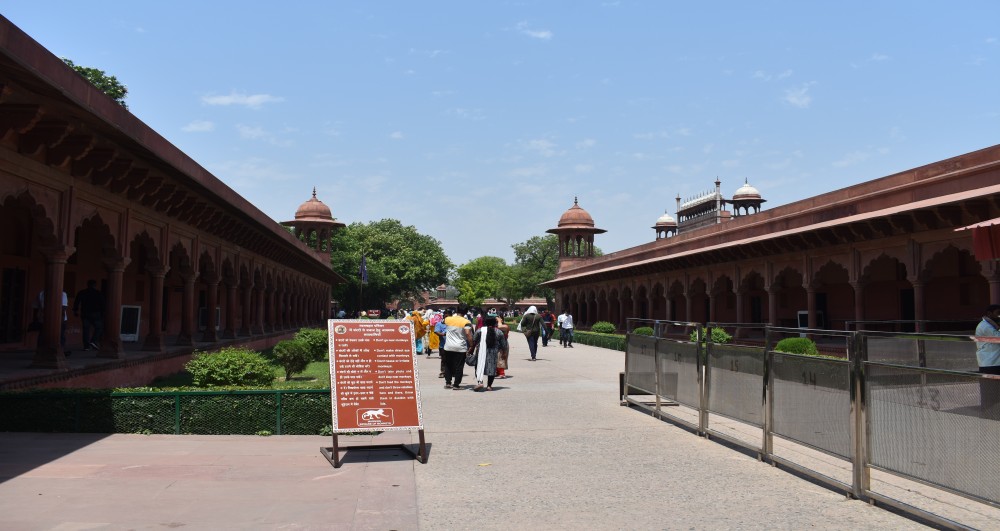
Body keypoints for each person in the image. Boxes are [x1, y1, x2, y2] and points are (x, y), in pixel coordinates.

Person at [469, 316, 508, 391]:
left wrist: (471, 350)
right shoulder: (499, 332)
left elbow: (474, 341)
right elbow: (503, 344)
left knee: (479, 366)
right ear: (495, 323)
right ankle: (489, 386)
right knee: (492, 368)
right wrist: (504, 353)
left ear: (485, 323)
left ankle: (480, 382)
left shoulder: (480, 331)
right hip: (493, 353)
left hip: (480, 352)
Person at [975, 305, 1000, 416]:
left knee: (995, 390)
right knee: (989, 390)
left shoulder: (992, 325)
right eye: (998, 313)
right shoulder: (985, 326)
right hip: (989, 363)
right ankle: (988, 413)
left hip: (994, 362)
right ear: (989, 313)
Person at [442, 308, 473, 390]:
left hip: (448, 346)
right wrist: (471, 345)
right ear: (466, 313)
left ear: (456, 311)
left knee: (448, 365)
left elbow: (443, 324)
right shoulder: (466, 322)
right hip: (460, 347)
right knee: (459, 366)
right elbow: (467, 333)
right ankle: (456, 385)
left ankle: (448, 383)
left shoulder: (447, 319)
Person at [34, 289, 69, 355]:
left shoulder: (41, 293)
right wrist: (61, 320)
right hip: (57, 318)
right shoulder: (62, 294)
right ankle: (60, 352)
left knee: (42, 335)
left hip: (44, 318)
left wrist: (37, 318)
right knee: (60, 336)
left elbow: (37, 307)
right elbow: (63, 308)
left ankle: (39, 352)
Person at [73, 279, 105, 351]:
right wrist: (103, 313)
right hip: (96, 313)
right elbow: (103, 304)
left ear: (87, 284)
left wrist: (75, 311)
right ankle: (93, 340)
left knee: (86, 329)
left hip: (85, 313)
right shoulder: (98, 293)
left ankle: (86, 346)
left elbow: (77, 302)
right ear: (95, 285)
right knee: (99, 328)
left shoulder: (82, 292)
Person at [495, 311, 510, 378]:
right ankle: (497, 372)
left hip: (503, 344)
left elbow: (499, 326)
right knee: (496, 358)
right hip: (495, 344)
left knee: (501, 358)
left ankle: (502, 373)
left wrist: (499, 321)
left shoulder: (505, 326)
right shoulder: (494, 326)